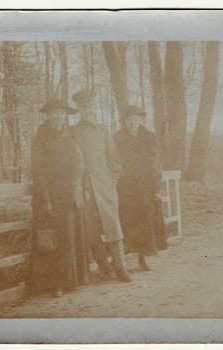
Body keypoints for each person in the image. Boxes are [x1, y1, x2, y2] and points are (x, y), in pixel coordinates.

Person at [30, 98, 90, 297]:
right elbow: (37, 172)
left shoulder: (69, 134)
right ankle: (55, 284)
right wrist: (45, 199)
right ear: (47, 115)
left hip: (73, 194)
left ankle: (73, 280)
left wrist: (84, 186)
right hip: (52, 197)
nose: (59, 117)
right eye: (55, 113)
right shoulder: (41, 138)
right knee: (56, 241)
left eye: (62, 113)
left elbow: (82, 162)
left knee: (72, 238)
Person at [71, 89, 131, 283]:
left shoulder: (103, 130)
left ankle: (120, 267)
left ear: (94, 107)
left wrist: (112, 178)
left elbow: (114, 159)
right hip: (85, 188)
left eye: (90, 106)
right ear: (79, 109)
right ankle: (104, 268)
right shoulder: (73, 132)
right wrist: (81, 184)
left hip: (105, 186)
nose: (87, 109)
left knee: (113, 226)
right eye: (83, 106)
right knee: (92, 230)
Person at [114, 105, 167, 271]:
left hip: (145, 187)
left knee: (145, 221)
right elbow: (113, 161)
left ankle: (142, 257)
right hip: (125, 187)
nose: (133, 122)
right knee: (127, 221)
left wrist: (157, 188)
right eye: (129, 120)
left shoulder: (149, 137)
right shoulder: (117, 138)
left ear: (140, 120)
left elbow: (155, 163)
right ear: (124, 122)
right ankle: (121, 259)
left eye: (136, 119)